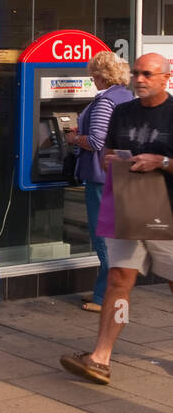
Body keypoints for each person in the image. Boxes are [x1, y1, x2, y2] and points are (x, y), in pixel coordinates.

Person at [61, 53, 173, 385]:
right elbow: (107, 150)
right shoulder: (122, 112)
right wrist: (111, 161)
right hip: (129, 205)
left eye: (148, 74)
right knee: (119, 282)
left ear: (167, 76)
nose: (139, 79)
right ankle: (101, 358)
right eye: (136, 73)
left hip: (167, 210)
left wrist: (162, 162)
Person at [64, 51, 132, 312]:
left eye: (93, 74)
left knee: (103, 238)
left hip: (101, 177)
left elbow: (96, 142)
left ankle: (106, 299)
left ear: (101, 75)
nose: (91, 78)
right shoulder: (127, 96)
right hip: (119, 176)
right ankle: (102, 293)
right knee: (112, 237)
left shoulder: (106, 101)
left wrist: (73, 139)